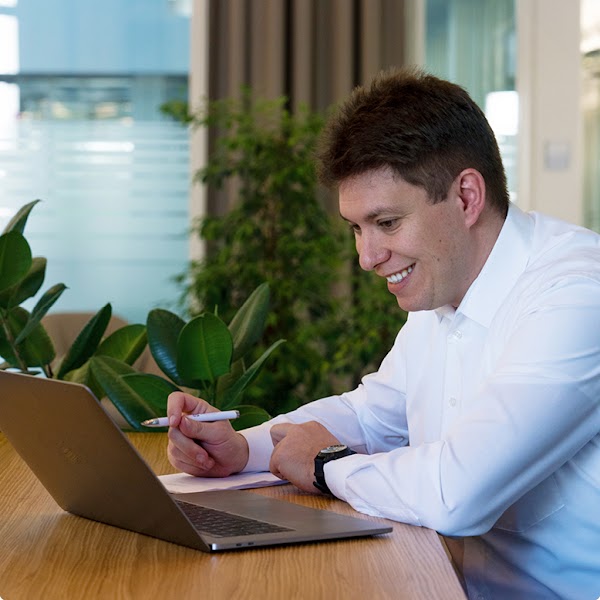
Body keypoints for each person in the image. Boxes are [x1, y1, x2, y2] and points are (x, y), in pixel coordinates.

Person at [166, 68, 600, 600]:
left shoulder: (577, 296)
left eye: (387, 223)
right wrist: (242, 449)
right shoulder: (445, 286)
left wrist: (327, 466)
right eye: (356, 228)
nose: (367, 257)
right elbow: (373, 414)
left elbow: (455, 492)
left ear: (466, 196)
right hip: (440, 582)